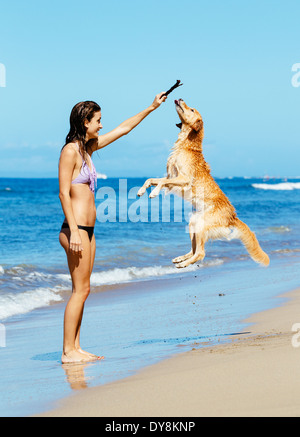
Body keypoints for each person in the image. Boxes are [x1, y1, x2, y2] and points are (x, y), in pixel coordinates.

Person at [58, 92, 167, 364]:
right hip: (76, 230)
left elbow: (124, 129)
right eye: (98, 120)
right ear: (85, 121)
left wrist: (152, 107)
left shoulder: (88, 148)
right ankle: (67, 351)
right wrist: (73, 231)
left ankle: (76, 347)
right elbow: (62, 193)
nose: (101, 125)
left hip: (88, 230)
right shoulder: (70, 151)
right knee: (79, 291)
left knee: (85, 290)